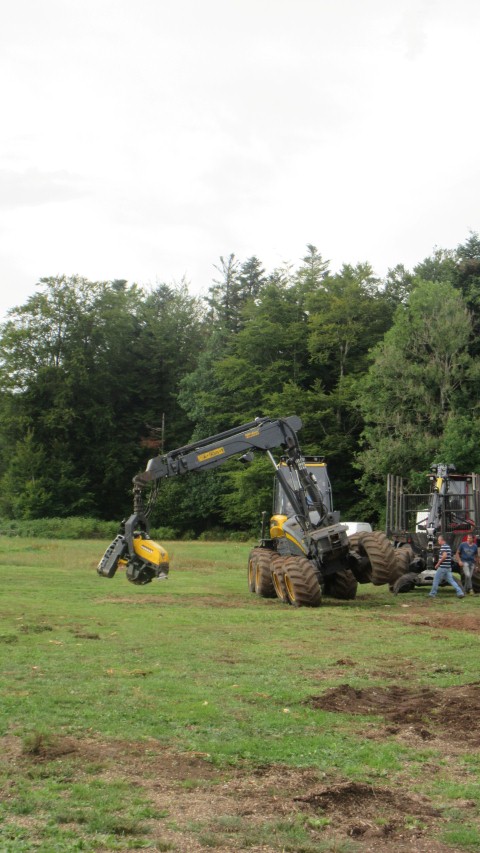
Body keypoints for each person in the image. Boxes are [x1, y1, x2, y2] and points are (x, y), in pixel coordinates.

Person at [428, 534, 465, 598]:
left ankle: (432, 593)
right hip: (448, 567)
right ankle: (460, 592)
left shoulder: (443, 547)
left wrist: (438, 563)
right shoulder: (448, 547)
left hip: (442, 567)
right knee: (451, 581)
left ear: (441, 540)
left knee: (436, 580)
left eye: (438, 540)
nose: (438, 541)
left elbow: (444, 556)